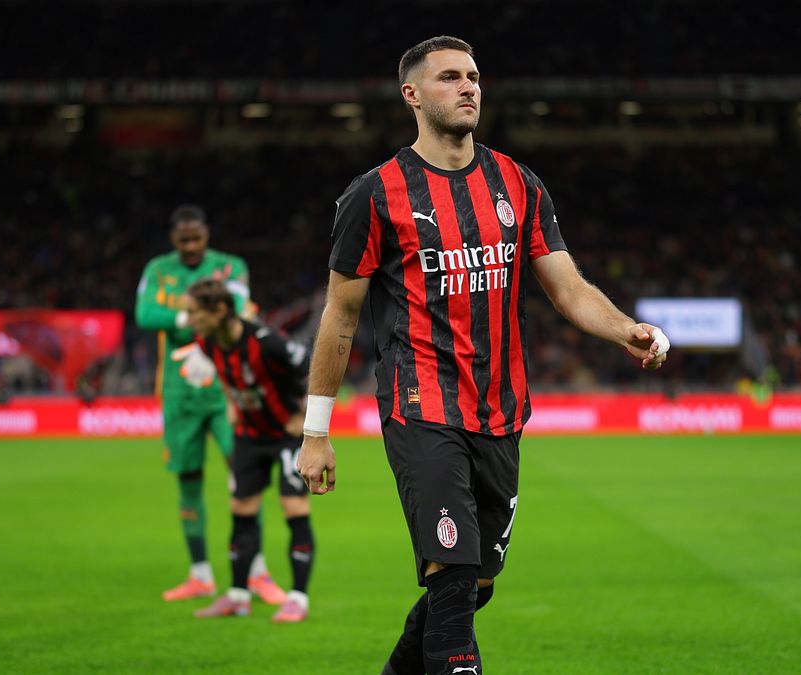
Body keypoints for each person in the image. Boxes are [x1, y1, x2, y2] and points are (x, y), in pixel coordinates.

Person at [294, 36, 670, 674]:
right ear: (412, 95)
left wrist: (624, 329)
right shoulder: (375, 194)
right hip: (421, 406)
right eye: (448, 77)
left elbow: (568, 287)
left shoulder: (517, 182)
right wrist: (316, 432)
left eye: (472, 76)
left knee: (476, 584)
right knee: (452, 575)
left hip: (501, 410)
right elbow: (341, 315)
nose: (467, 86)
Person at [135, 204, 286, 606]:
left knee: (244, 478)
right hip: (179, 392)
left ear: (206, 234)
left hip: (224, 389)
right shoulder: (158, 270)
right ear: (173, 237)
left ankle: (256, 572)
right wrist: (192, 319)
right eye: (182, 239)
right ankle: (200, 575)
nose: (189, 246)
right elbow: (145, 314)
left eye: (196, 238)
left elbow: (239, 307)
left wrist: (179, 319)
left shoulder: (230, 266)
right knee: (188, 479)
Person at [176, 278, 317, 623]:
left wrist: (304, 415)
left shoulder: (266, 342)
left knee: (294, 509)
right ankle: (238, 596)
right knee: (241, 509)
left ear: (219, 310)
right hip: (249, 437)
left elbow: (315, 366)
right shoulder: (206, 342)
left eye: (194, 312)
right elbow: (226, 373)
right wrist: (230, 401)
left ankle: (297, 599)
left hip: (285, 435)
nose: (188, 320)